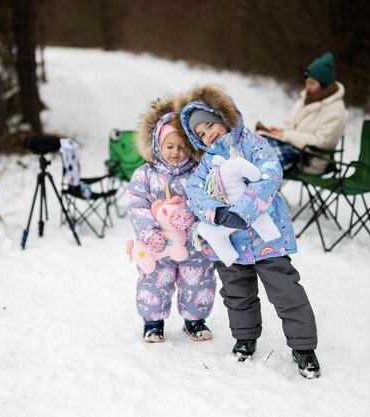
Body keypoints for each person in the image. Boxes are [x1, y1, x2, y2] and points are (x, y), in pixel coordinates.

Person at [179, 83, 321, 379]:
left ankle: (304, 346)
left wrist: (243, 210)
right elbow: (194, 190)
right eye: (201, 134)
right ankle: (245, 336)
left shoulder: (254, 144)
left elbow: (270, 174)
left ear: (224, 116)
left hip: (267, 239)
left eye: (209, 125)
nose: (208, 134)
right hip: (230, 241)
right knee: (236, 291)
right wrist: (215, 212)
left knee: (286, 290)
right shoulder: (207, 162)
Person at [126, 96, 216, 344]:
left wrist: (193, 219)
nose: (176, 152)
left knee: (198, 281)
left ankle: (194, 320)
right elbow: (136, 203)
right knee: (154, 279)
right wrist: (148, 233)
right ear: (158, 145)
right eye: (170, 146)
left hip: (193, 245)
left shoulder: (199, 173)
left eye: (182, 146)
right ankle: (153, 322)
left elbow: (208, 201)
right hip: (157, 246)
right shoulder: (146, 174)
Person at [255, 51, 347, 175]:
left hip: (310, 158)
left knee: (263, 159)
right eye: (307, 81)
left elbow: (322, 142)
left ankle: (256, 189)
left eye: (312, 83)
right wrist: (278, 132)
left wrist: (286, 136)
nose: (307, 87)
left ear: (325, 85)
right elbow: (291, 127)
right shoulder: (305, 99)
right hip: (293, 149)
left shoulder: (336, 109)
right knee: (255, 143)